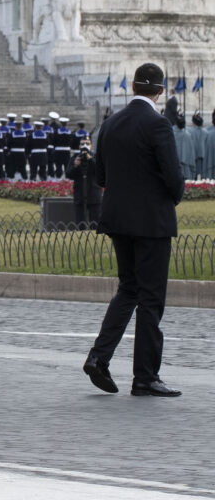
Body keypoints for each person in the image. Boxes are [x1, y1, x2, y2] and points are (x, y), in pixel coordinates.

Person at [84, 63, 185, 398]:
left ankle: (99, 356)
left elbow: (101, 177)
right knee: (151, 298)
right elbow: (173, 178)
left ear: (131, 86)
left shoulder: (110, 124)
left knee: (128, 289)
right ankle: (145, 376)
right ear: (160, 90)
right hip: (152, 223)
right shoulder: (158, 124)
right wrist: (172, 196)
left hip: (117, 220)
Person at [66, 139, 101, 227]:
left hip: (93, 194)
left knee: (95, 223)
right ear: (79, 146)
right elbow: (68, 174)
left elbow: (100, 171)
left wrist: (91, 160)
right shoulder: (74, 158)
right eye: (82, 144)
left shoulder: (96, 157)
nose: (85, 146)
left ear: (91, 146)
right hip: (80, 193)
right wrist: (75, 165)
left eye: (87, 144)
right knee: (80, 223)